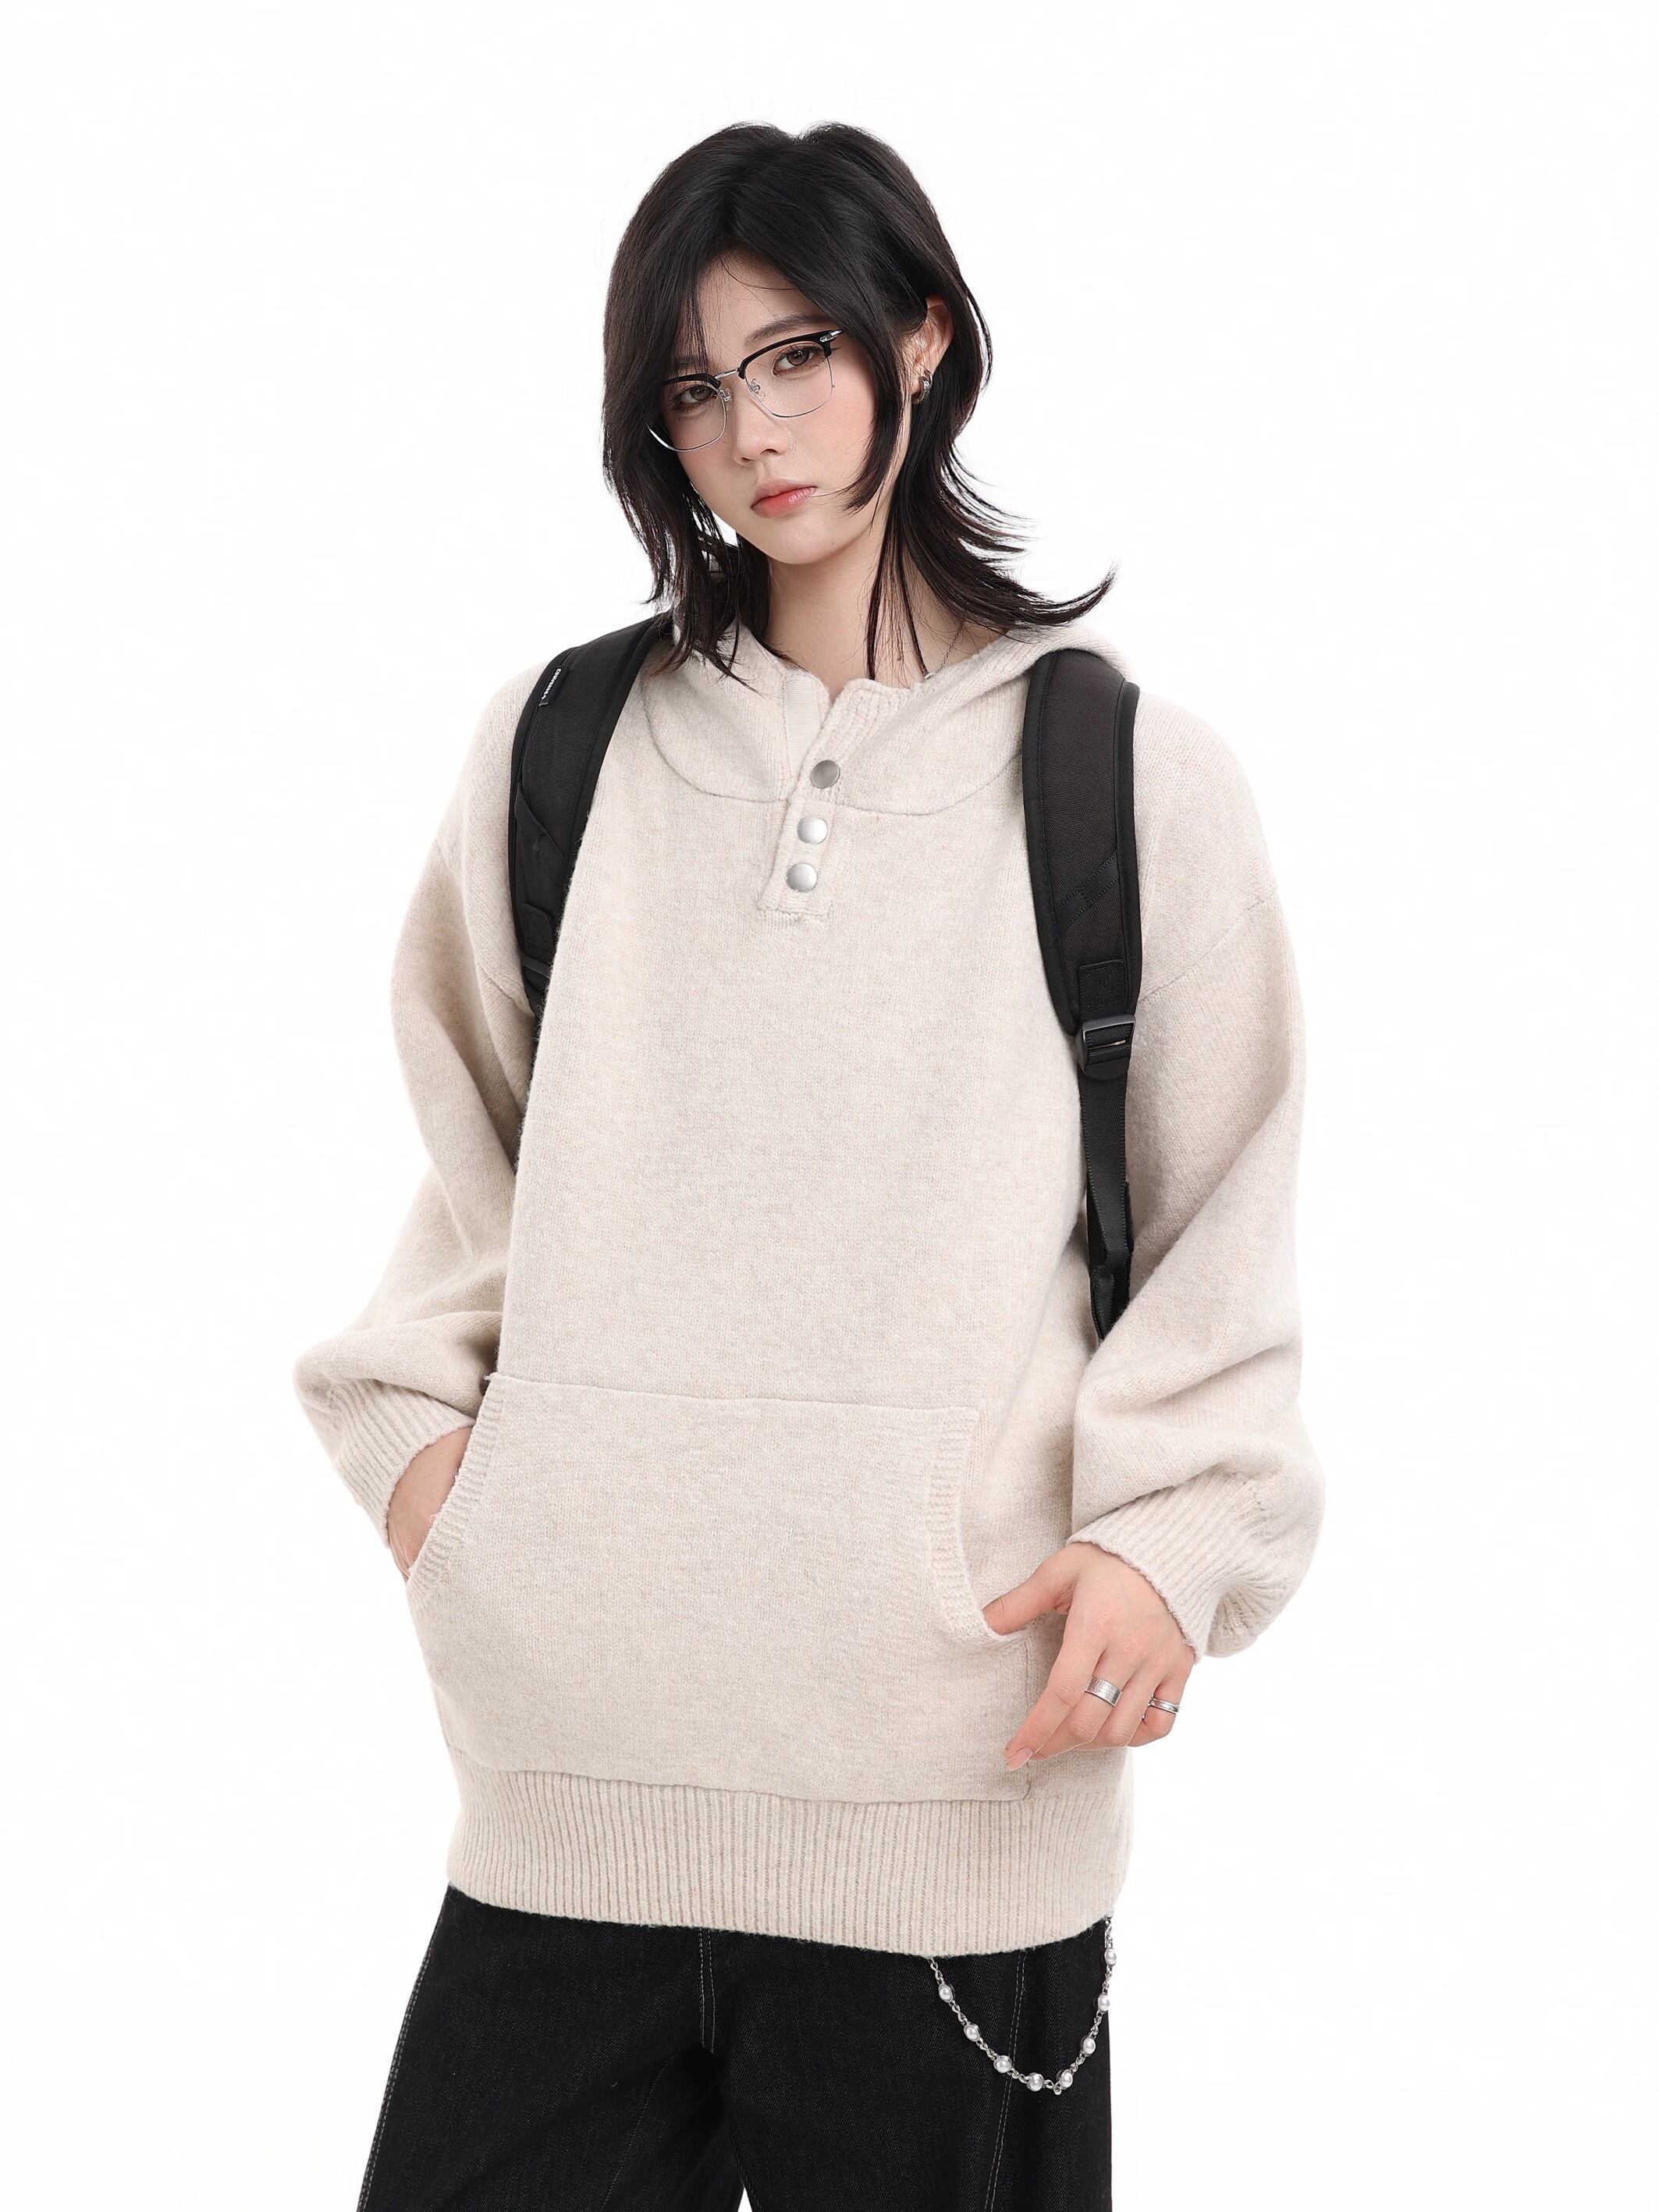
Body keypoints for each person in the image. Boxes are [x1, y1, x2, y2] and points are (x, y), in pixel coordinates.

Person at [293, 119, 1323, 2212]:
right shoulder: (564, 750)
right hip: (570, 1789)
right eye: (694, 386)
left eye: (795, 356)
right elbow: (470, 1179)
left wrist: (1174, 1535)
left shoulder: (1122, 779)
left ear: (917, 340)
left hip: (955, 1803)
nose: (749, 430)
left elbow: (1226, 1221)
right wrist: (446, 1491)